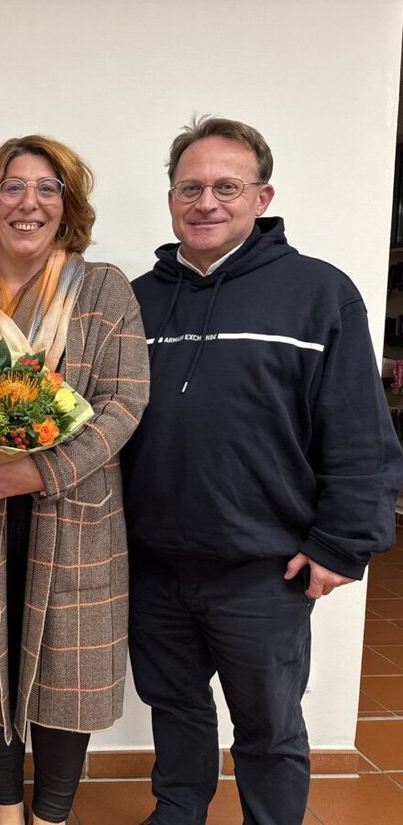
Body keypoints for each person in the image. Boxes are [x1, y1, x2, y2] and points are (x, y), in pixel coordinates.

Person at [122, 116, 403, 825]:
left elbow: (360, 429)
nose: (206, 202)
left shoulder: (318, 292)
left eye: (227, 186)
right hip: (152, 563)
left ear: (262, 197)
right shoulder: (135, 300)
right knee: (175, 709)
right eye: (191, 187)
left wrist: (342, 542)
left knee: (269, 730)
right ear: (170, 199)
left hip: (264, 570)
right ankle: (176, 812)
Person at [0, 135, 149, 825]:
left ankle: (52, 814)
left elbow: (125, 401)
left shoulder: (104, 292)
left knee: (67, 672)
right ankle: (6, 809)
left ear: (67, 205)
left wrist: (41, 470)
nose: (29, 202)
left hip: (73, 515)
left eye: (49, 188)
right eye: (13, 187)